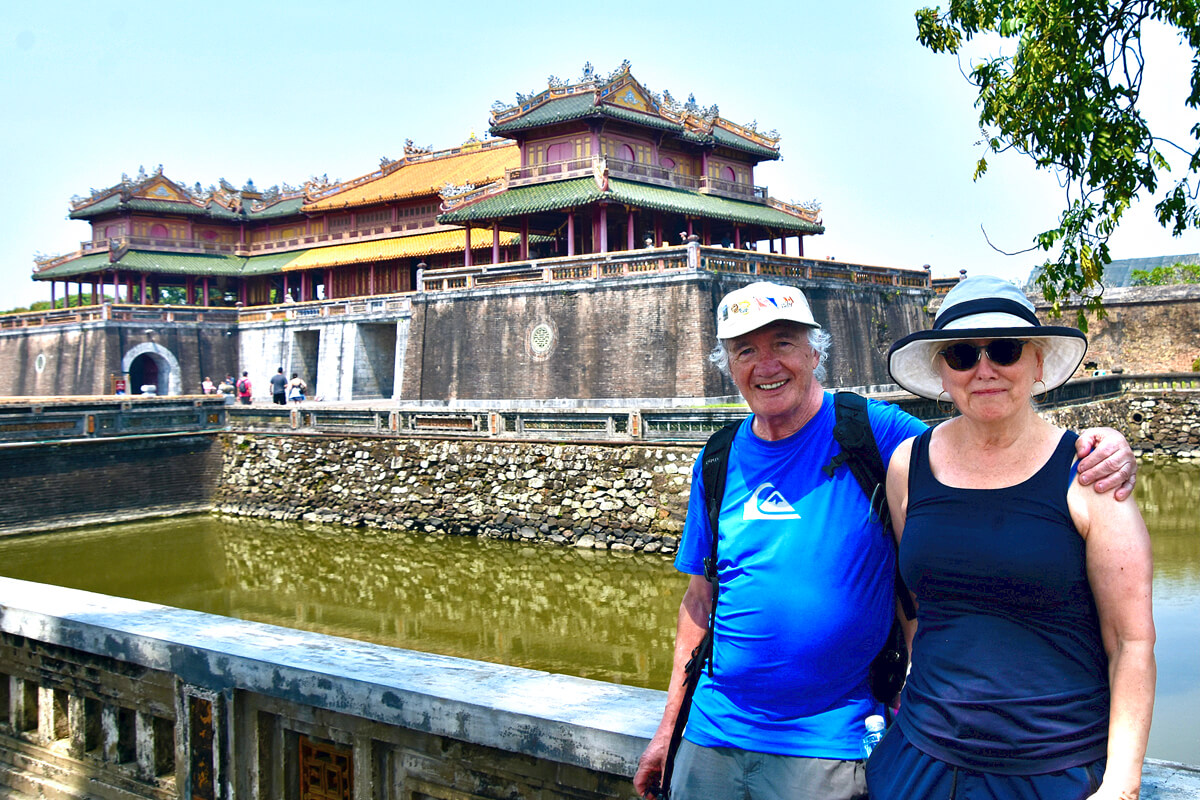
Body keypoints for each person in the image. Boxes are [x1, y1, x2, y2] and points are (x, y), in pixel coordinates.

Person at [633, 281, 1138, 800]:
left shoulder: (871, 432)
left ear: (815, 352)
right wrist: (669, 730)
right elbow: (699, 603)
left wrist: (1103, 449)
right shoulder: (716, 460)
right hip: (710, 737)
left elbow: (983, 441)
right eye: (746, 351)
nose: (766, 365)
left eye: (783, 344)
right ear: (728, 366)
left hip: (829, 743)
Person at [868, 276, 1155, 800]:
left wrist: (1122, 783)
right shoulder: (908, 465)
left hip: (1052, 765)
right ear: (942, 371)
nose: (985, 370)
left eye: (1004, 350)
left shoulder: (1089, 476)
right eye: (961, 354)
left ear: (1038, 362)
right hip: (921, 759)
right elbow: (922, 603)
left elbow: (1131, 641)